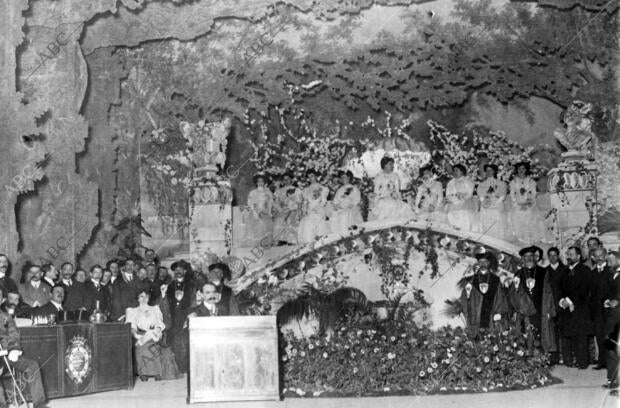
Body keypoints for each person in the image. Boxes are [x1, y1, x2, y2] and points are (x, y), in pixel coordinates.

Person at [0, 288, 48, 408]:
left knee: (33, 365)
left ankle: (39, 404)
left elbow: (13, 334)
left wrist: (13, 349)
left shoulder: (5, 317)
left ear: (2, 300)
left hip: (6, 355)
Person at [126, 289, 179, 381]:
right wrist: (135, 333)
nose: (144, 299)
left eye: (146, 296)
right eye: (141, 296)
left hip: (155, 334)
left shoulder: (155, 309)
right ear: (138, 298)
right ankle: (144, 373)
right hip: (141, 334)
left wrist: (158, 329)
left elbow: (160, 322)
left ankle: (157, 372)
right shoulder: (133, 311)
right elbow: (132, 325)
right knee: (142, 345)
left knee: (150, 342)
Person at [459, 250, 509, 336]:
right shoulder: (471, 280)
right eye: (480, 262)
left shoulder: (495, 280)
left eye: (485, 262)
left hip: (491, 318)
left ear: (489, 263)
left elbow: (500, 298)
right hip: (475, 318)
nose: (483, 264)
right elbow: (464, 299)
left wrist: (498, 313)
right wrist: (468, 297)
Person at [558, 246, 593, 369]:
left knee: (581, 336)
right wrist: (562, 300)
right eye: (568, 254)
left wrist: (569, 300)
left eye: (571, 254)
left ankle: (582, 362)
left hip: (581, 308)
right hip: (568, 309)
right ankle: (572, 360)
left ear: (578, 256)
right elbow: (560, 287)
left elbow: (584, 289)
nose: (569, 257)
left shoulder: (585, 270)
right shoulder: (565, 271)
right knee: (571, 335)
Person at [164, 260, 194, 373]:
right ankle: (175, 368)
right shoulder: (170, 285)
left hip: (186, 316)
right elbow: (166, 302)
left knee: (185, 341)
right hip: (173, 317)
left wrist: (190, 316)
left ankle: (185, 367)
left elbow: (193, 302)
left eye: (180, 270)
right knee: (173, 341)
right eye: (176, 270)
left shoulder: (191, 285)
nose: (178, 272)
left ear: (185, 271)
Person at [508, 162, 547, 244]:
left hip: (529, 204)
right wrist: (518, 204)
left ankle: (529, 238)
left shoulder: (531, 181)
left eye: (523, 169)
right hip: (517, 204)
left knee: (530, 214)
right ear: (517, 170)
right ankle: (519, 237)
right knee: (517, 214)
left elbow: (533, 193)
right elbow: (512, 194)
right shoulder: (513, 181)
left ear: (526, 170)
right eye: (519, 169)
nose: (521, 171)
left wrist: (528, 203)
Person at [369, 156, 414, 222]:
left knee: (404, 206)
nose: (392, 166)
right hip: (382, 199)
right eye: (390, 164)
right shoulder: (379, 176)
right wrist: (376, 202)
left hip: (393, 198)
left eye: (393, 164)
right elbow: (376, 192)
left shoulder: (395, 176)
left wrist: (399, 199)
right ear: (385, 165)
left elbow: (397, 190)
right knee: (387, 207)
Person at [591, 247, 613, 370]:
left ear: (605, 256)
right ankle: (602, 362)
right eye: (596, 256)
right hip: (597, 312)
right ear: (593, 258)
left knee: (610, 336)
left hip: (609, 311)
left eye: (601, 255)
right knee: (600, 336)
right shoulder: (592, 273)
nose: (599, 258)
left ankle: (611, 362)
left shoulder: (611, 271)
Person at [475, 164, 509, 240]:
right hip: (485, 204)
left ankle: (498, 239)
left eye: (491, 170)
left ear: (494, 171)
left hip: (497, 204)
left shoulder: (501, 183)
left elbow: (502, 196)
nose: (489, 172)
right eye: (487, 170)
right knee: (485, 212)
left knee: (496, 213)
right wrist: (485, 202)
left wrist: (494, 203)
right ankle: (487, 239)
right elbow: (480, 196)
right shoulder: (481, 184)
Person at [546, 247, 567, 364]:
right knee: (552, 332)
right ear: (548, 257)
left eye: (555, 255)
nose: (552, 257)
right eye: (550, 255)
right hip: (550, 306)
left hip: (563, 305)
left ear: (558, 256)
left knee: (564, 332)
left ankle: (566, 357)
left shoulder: (565, 269)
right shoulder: (545, 271)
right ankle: (554, 358)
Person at [298, 169, 329, 243]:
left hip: (318, 210)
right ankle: (309, 244)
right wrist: (304, 211)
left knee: (316, 221)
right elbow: (305, 203)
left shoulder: (322, 188)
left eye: (312, 176)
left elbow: (323, 201)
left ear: (316, 176)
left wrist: (316, 208)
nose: (310, 178)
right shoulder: (306, 190)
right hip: (309, 212)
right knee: (306, 222)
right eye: (308, 177)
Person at [272, 172, 303, 245]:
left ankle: (291, 239)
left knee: (290, 219)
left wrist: (297, 211)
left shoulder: (296, 190)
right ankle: (281, 239)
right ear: (282, 181)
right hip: (282, 210)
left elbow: (299, 203)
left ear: (291, 180)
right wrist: (279, 210)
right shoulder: (279, 191)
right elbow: (276, 203)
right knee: (279, 220)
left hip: (293, 210)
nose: (286, 181)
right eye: (284, 179)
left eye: (288, 179)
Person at [328, 170, 363, 235]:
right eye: (341, 178)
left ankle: (346, 234)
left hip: (350, 208)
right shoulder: (340, 189)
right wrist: (336, 206)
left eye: (344, 177)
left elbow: (357, 199)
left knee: (345, 215)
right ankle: (337, 235)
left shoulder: (354, 188)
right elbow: (335, 201)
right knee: (333, 214)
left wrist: (349, 205)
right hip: (340, 209)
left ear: (349, 177)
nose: (342, 179)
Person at [444, 164, 475, 232]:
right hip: (452, 205)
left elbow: (469, 194)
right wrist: (453, 200)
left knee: (463, 224)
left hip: (465, 205)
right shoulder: (451, 182)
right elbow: (448, 194)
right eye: (454, 171)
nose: (455, 172)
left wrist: (460, 199)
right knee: (451, 223)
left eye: (457, 170)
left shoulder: (468, 181)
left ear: (462, 171)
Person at [246, 173, 274, 247]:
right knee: (259, 223)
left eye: (262, 181)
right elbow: (250, 204)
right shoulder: (252, 192)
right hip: (255, 213)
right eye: (258, 181)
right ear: (256, 182)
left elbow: (270, 204)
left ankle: (266, 243)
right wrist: (256, 213)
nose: (260, 183)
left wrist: (269, 212)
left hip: (265, 213)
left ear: (264, 182)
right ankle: (257, 244)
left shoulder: (268, 192)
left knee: (268, 223)